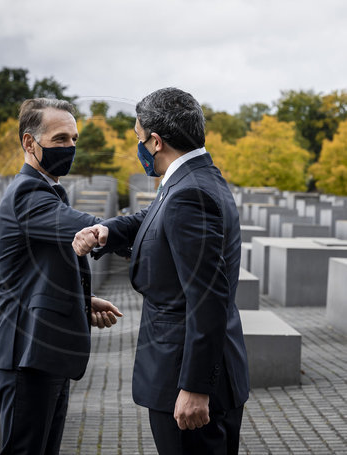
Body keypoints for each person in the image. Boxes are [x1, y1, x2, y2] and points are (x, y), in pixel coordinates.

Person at [73, 88, 250, 455]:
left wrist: (195, 387)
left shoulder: (190, 193)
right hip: (184, 373)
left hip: (186, 384)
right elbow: (153, 220)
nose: (138, 146)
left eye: (138, 138)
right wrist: (108, 231)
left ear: (155, 142)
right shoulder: (194, 178)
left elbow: (208, 298)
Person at [0, 98, 123, 455]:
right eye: (61, 139)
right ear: (30, 143)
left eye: (75, 139)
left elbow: (39, 270)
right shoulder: (29, 193)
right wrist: (144, 230)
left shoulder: (46, 191)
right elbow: (88, 227)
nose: (70, 148)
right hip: (25, 354)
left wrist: (81, 302)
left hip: (44, 352)